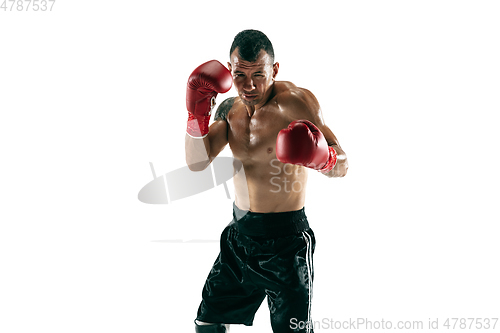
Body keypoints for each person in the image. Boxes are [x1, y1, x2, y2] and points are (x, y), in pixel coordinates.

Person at [185, 30, 348, 333]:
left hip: (286, 244)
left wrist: (323, 158)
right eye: (239, 75)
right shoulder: (228, 110)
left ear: (274, 69)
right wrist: (196, 114)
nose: (249, 85)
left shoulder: (296, 103)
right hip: (239, 237)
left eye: (258, 74)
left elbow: (344, 164)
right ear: (229, 70)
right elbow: (197, 162)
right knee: (208, 322)